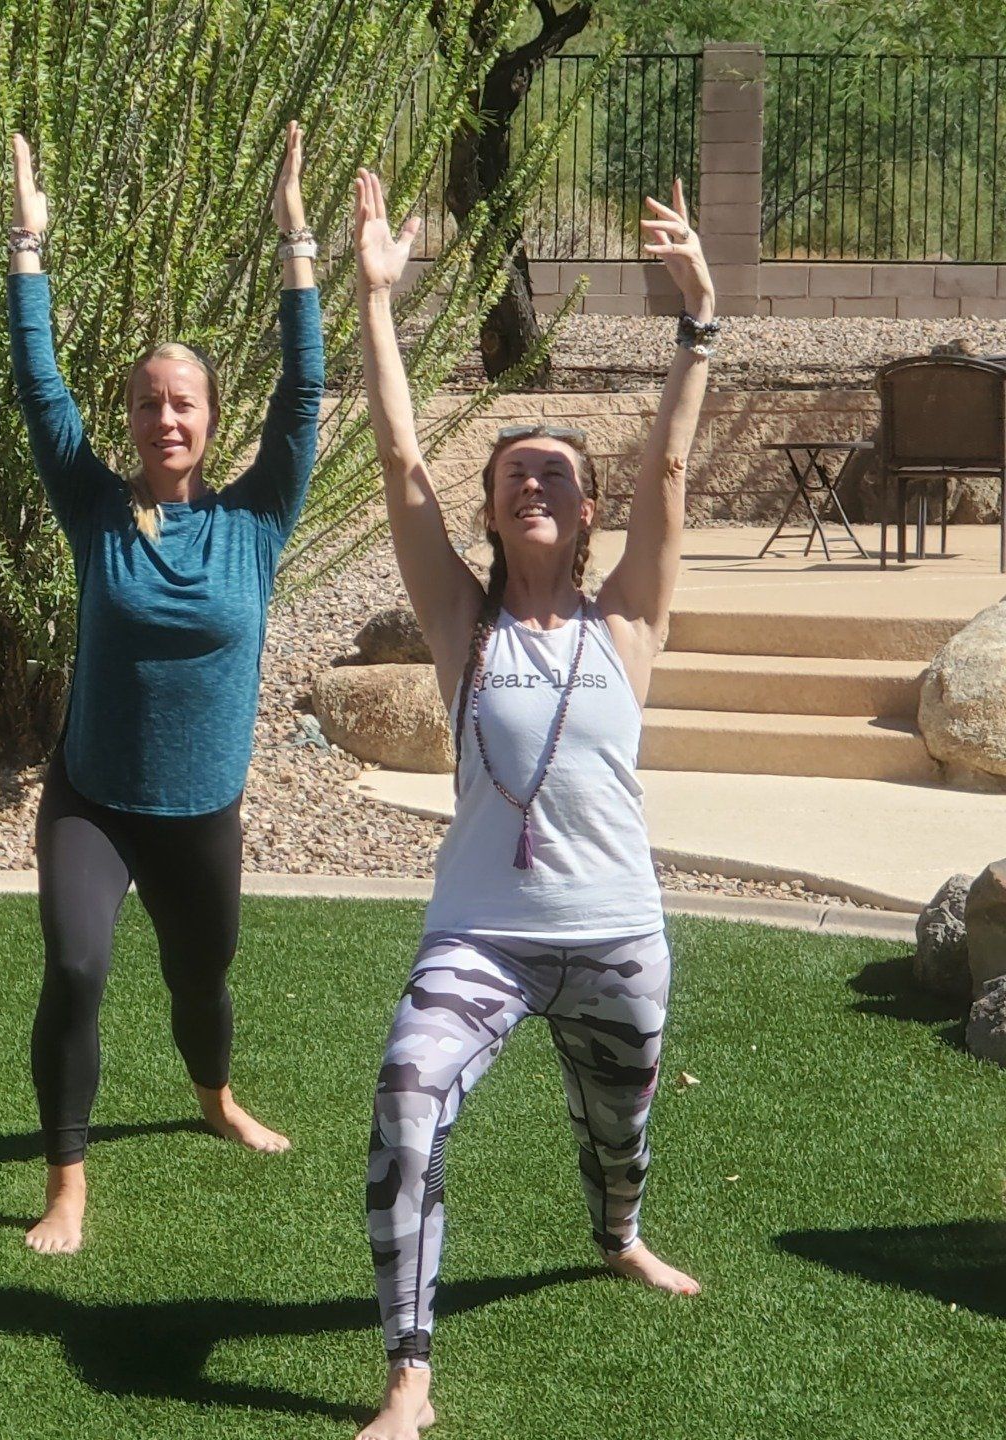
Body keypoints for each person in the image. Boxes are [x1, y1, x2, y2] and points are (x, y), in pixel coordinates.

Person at [349, 171, 715, 1440]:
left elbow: (670, 466)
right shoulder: (464, 623)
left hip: (617, 936)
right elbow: (401, 461)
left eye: (557, 476)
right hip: (484, 937)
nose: (533, 488)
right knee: (408, 1093)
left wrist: (697, 323)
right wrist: (379, 301)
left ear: (588, 511)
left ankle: (617, 1232)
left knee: (619, 1140)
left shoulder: (629, 629)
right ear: (498, 510)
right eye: (514, 476)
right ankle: (410, 1370)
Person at [6, 123, 325, 1255]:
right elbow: (41, 394)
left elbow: (306, 393)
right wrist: (27, 247)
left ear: (209, 418)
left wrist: (297, 241)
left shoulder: (256, 519)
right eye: (148, 402)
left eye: (184, 401)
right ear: (132, 420)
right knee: (79, 965)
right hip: (95, 798)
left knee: (204, 978)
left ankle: (214, 1095)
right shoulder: (97, 513)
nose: (166, 418)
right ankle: (67, 1182)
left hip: (201, 810)